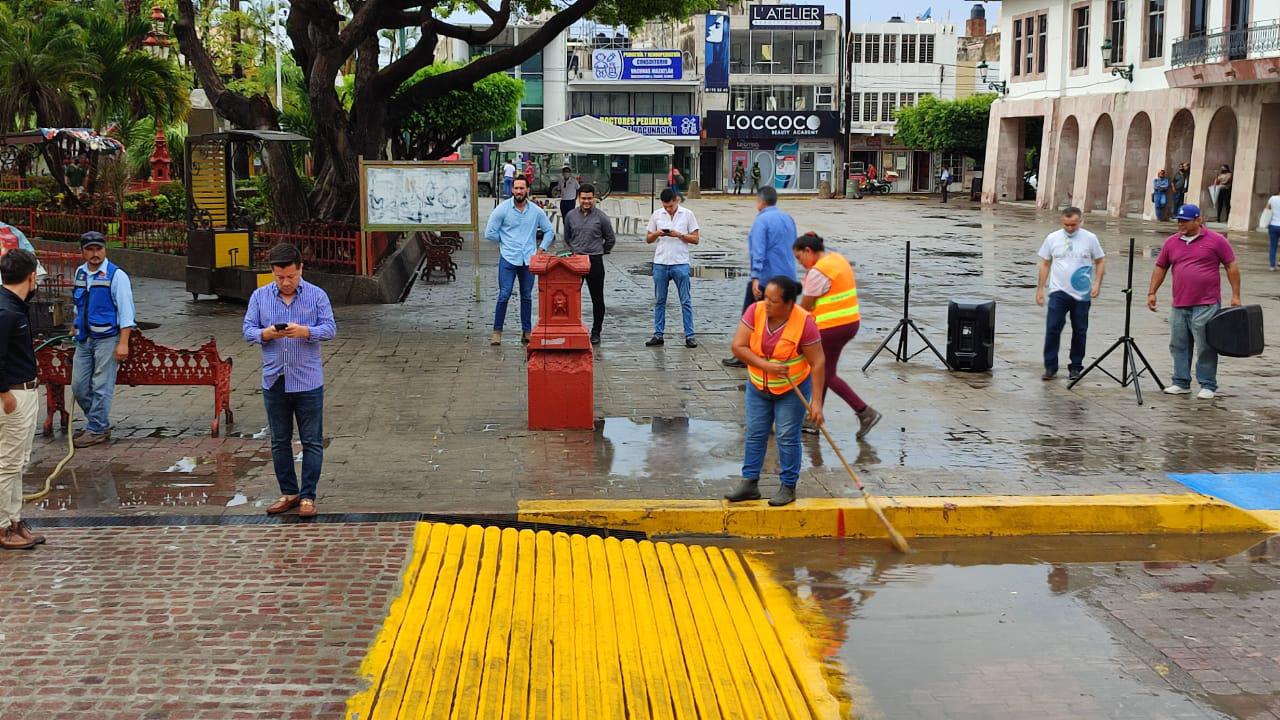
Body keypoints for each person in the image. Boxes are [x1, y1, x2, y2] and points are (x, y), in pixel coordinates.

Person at [242, 243, 337, 519]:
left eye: (291, 276)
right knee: (279, 441)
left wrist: (306, 331)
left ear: (300, 269)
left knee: (311, 441)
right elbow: (248, 329)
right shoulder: (260, 296)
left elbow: (330, 328)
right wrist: (266, 334)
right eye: (279, 277)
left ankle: (308, 496)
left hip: (308, 380)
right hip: (274, 379)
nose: (285, 282)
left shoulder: (317, 295)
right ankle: (289, 492)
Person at [724, 276, 826, 507]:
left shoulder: (804, 322)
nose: (766, 304)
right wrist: (766, 366)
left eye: (773, 300)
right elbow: (738, 346)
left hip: (791, 389)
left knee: (787, 436)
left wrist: (817, 403)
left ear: (789, 304)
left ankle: (788, 486)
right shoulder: (755, 311)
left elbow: (818, 361)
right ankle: (750, 482)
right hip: (758, 387)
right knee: (755, 432)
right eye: (766, 297)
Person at [1147, 204, 1242, 400]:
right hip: (1179, 303)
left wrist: (1235, 295)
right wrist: (1152, 292)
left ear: (1198, 220)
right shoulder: (1171, 242)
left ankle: (1208, 384)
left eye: (1185, 221)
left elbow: (1231, 266)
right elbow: (1161, 267)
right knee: (1178, 344)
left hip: (1206, 303)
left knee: (1205, 344)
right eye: (1179, 221)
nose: (1180, 225)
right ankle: (1181, 382)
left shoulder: (1217, 240)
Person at [793, 232, 881, 439]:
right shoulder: (836, 259)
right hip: (850, 322)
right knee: (824, 369)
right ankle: (813, 419)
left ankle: (864, 412)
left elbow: (804, 308)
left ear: (808, 251)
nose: (799, 263)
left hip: (831, 327)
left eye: (799, 257)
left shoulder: (818, 272)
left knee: (825, 373)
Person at [70, 231, 136, 448]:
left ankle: (96, 429)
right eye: (90, 249)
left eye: (98, 249)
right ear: (82, 252)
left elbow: (126, 312)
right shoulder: (80, 273)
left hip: (107, 338)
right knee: (78, 386)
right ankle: (98, 422)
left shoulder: (117, 276)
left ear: (105, 249)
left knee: (101, 385)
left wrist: (123, 343)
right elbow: (79, 304)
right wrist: (75, 324)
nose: (95, 254)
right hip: (84, 339)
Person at [722, 186, 798, 368]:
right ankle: (781, 353)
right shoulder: (788, 219)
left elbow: (758, 251)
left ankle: (745, 354)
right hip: (788, 276)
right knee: (782, 317)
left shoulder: (762, 221)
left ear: (760, 202)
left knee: (751, 316)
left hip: (767, 279)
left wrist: (755, 277)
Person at [0, 249, 45, 550]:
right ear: (30, 277)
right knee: (7, 463)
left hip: (24, 390)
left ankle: (14, 519)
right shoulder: (7, 312)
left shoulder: (15, 306)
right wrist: (6, 395)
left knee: (17, 462)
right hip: (13, 394)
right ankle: (3, 526)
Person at [1035, 207, 1105, 381]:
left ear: (1080, 221)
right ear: (1061, 222)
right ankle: (1050, 366)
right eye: (1066, 225)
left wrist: (1097, 283)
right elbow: (1045, 263)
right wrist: (1040, 288)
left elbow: (1100, 261)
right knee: (1053, 328)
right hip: (1058, 291)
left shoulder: (1090, 238)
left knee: (1080, 330)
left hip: (1081, 293)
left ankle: (1076, 366)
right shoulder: (1052, 238)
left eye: (1073, 225)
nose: (1070, 228)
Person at [485, 176, 555, 346]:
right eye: (516, 188)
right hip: (508, 258)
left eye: (522, 188)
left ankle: (527, 331)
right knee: (504, 294)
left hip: (528, 260)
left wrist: (541, 249)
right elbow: (489, 233)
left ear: (527, 190)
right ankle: (497, 332)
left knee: (526, 295)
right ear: (512, 190)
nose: (518, 191)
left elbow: (549, 231)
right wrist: (504, 241)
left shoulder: (536, 211)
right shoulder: (502, 209)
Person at [644, 188, 700, 348]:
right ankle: (658, 333)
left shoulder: (687, 214)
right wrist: (657, 234)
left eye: (671, 206)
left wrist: (680, 235)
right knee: (659, 300)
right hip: (661, 262)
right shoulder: (657, 215)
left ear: (677, 201)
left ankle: (689, 335)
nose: (668, 209)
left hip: (680, 262)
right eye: (665, 206)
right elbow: (648, 239)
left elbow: (696, 239)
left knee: (685, 300)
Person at [561, 183, 616, 345]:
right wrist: (573, 251)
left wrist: (601, 251)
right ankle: (572, 328)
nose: (586, 201)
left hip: (594, 260)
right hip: (575, 260)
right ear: (578, 198)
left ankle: (596, 331)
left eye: (589, 198)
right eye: (583, 198)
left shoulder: (601, 217)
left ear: (594, 199)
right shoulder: (571, 216)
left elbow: (610, 238)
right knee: (570, 298)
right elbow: (567, 237)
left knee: (597, 299)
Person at [1266, 189, 1280, 271]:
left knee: (1273, 246)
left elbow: (1267, 209)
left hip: (1273, 225)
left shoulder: (1272, 198)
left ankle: (1272, 266)